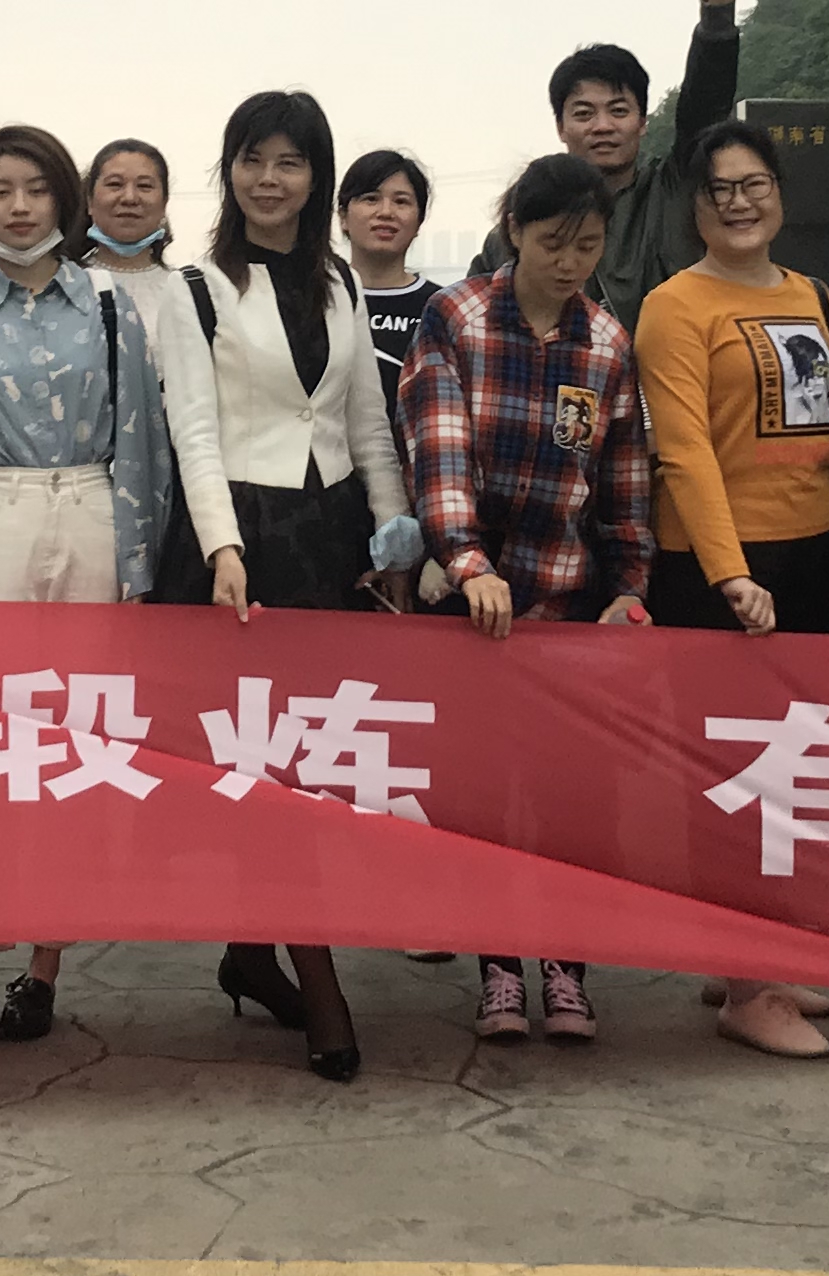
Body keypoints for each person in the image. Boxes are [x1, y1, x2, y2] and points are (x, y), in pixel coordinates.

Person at [0, 122, 181, 1043]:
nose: (19, 207)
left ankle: (45, 964)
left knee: (76, 738)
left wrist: (139, 563)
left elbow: (143, 437)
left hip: (94, 507)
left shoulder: (108, 302)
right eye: (0, 190)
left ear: (64, 199)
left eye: (35, 189)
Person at [189, 91, 423, 1084]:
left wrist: (395, 536)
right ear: (229, 171)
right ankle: (320, 982)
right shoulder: (196, 285)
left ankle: (253, 953)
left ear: (315, 177)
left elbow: (368, 422)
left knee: (314, 757)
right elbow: (195, 430)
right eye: (253, 159)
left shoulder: (339, 283)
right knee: (263, 764)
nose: (269, 179)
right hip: (245, 542)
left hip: (333, 539)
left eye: (290, 162)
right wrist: (220, 547)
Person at [398, 152, 652, 1049]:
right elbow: (438, 451)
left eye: (588, 245)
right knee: (484, 798)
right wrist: (469, 563)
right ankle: (499, 967)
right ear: (515, 231)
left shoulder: (608, 342)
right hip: (474, 607)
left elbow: (624, 480)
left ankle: (567, 967)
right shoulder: (457, 318)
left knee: (574, 799)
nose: (569, 261)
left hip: (567, 606)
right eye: (553, 242)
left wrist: (630, 588)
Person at [634, 119, 829, 1064]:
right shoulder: (673, 306)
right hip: (722, 568)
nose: (738, 202)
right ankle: (746, 989)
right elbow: (683, 449)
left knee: (795, 765)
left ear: (779, 192)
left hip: (815, 553)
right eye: (718, 189)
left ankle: (757, 956)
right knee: (735, 777)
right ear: (695, 207)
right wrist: (730, 571)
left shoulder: (812, 294)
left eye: (753, 183)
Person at [496, 0, 762, 325]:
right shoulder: (529, 212)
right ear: (561, 127)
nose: (602, 126)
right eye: (584, 113)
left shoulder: (672, 189)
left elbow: (706, 102)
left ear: (642, 122)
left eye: (618, 110)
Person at [80, 136, 249, 615]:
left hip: (181, 472)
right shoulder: (64, 289)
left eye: (145, 186)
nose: (129, 198)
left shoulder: (193, 289)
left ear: (165, 201)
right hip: (91, 479)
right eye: (114, 185)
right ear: (89, 200)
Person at [337, 150, 441, 422]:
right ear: (342, 216)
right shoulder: (318, 296)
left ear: (419, 222)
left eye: (401, 201)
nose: (385, 212)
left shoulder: (440, 307)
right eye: (370, 199)